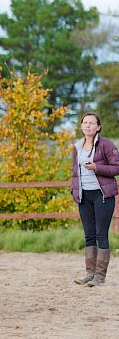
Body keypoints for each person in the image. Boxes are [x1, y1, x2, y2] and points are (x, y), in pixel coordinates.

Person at [71, 112, 119, 286]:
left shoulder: (106, 145)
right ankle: (90, 274)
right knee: (89, 235)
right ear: (81, 126)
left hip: (103, 195)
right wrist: (74, 190)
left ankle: (100, 276)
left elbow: (116, 167)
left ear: (98, 127)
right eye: (85, 122)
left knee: (101, 234)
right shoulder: (77, 146)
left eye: (92, 123)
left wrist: (97, 167)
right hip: (85, 196)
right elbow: (75, 173)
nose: (88, 125)